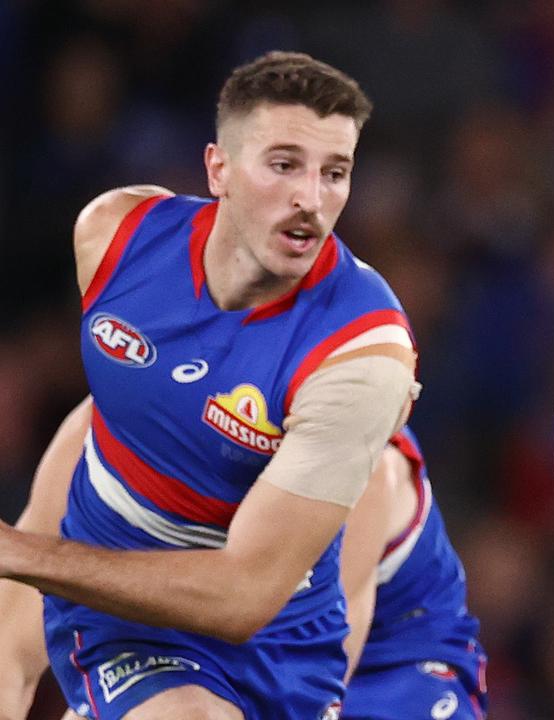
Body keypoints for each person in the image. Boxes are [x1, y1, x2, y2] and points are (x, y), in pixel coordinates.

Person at [0, 51, 419, 719]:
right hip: (120, 615)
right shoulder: (112, 234)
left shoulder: (361, 356)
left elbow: (242, 597)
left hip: (277, 646)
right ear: (217, 169)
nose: (311, 198)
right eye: (284, 165)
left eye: (334, 173)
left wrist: (20, 552)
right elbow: (112, 411)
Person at [0, 402, 487, 720]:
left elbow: (310, 693)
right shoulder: (100, 435)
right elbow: (10, 651)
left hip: (389, 681)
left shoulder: (355, 466)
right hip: (207, 642)